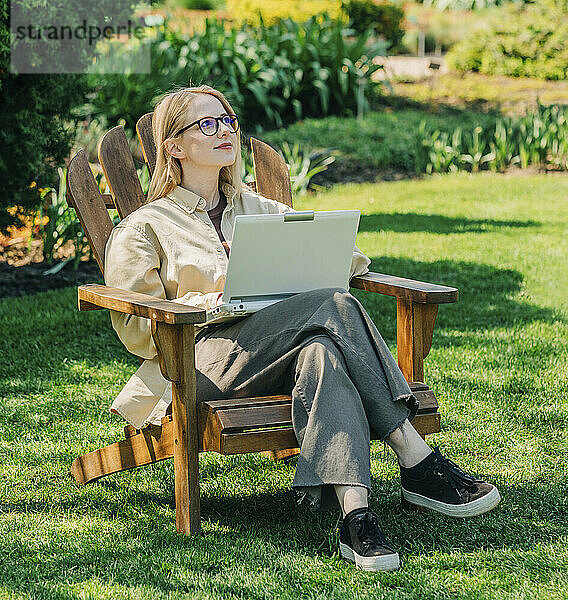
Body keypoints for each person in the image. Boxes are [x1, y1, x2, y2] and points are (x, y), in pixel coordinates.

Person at [103, 85, 501, 572]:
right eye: (206, 124)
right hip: (197, 363)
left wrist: (311, 254)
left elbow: (348, 261)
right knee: (332, 305)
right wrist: (220, 301)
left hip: (283, 356)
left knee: (322, 351)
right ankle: (415, 457)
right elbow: (135, 326)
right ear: (175, 146)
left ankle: (357, 519)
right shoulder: (146, 227)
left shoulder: (257, 210)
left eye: (227, 119)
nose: (225, 130)